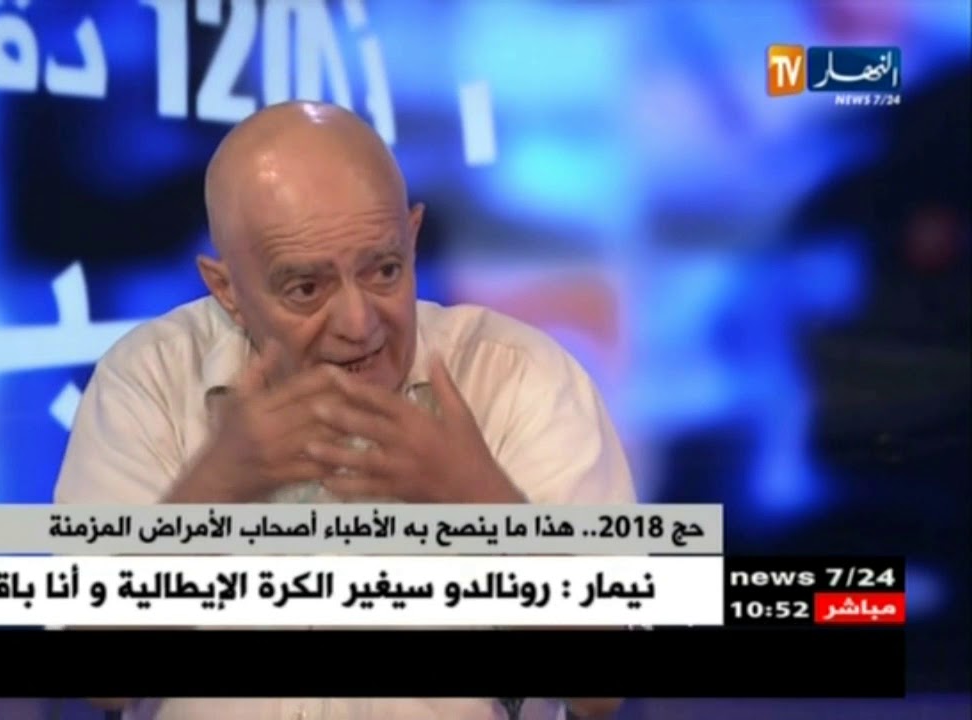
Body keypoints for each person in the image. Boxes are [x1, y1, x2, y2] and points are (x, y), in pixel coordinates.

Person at [55, 101, 634, 720]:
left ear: (412, 237)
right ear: (227, 290)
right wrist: (217, 487)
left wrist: (476, 501)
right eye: (307, 288)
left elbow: (601, 693)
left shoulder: (521, 378)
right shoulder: (148, 381)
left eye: (384, 270)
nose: (360, 324)